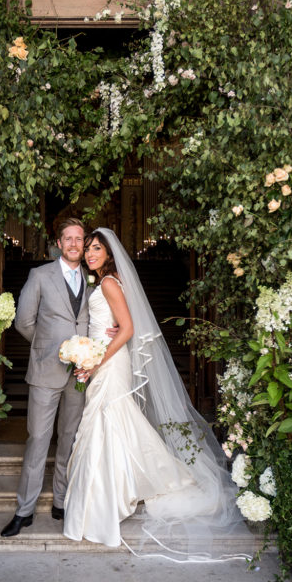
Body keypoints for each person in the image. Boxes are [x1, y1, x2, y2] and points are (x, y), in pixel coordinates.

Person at [63, 228, 243, 550]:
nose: (90, 254)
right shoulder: (109, 280)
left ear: (108, 253)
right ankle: (122, 488)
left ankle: (108, 501)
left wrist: (95, 360)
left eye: (95, 249)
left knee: (107, 423)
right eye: (87, 249)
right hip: (107, 360)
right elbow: (120, 324)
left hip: (110, 364)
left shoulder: (107, 282)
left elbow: (128, 327)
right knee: (115, 424)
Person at [1, 218, 90, 537]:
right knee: (38, 439)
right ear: (58, 242)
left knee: (69, 440)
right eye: (68, 238)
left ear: (84, 243)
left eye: (79, 239)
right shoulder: (39, 275)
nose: (73, 244)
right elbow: (23, 321)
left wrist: (85, 355)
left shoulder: (92, 279)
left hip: (79, 375)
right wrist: (52, 348)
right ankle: (24, 510)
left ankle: (61, 502)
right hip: (45, 371)